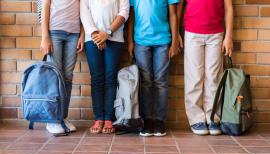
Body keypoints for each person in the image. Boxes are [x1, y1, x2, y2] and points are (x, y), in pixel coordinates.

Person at [177, 0, 233, 135]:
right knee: (194, 77)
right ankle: (196, 118)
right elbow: (179, 6)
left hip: (216, 34)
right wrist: (177, 33)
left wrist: (228, 37)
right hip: (192, 33)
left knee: (213, 77)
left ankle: (213, 117)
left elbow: (229, 8)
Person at [128, 0, 180, 137]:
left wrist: (174, 42)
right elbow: (131, 16)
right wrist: (130, 41)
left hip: (163, 42)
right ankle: (147, 119)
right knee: (145, 82)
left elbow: (173, 14)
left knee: (161, 82)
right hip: (141, 41)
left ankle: (159, 120)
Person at [80, 0, 129, 134]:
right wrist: (96, 35)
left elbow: (124, 12)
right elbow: (84, 13)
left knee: (111, 79)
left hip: (115, 38)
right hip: (92, 39)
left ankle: (109, 118)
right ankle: (99, 118)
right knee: (97, 79)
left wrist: (107, 32)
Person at [40, 0, 84, 134]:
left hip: (74, 34)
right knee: (55, 76)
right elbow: (45, 7)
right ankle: (52, 119)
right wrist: (45, 36)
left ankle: (63, 117)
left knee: (68, 77)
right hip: (54, 32)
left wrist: (82, 35)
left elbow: (83, 9)